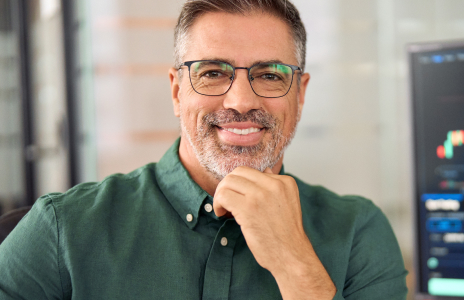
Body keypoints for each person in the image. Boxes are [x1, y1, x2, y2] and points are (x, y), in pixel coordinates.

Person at [0, 0, 408, 299]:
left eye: (269, 74)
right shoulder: (62, 229)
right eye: (213, 73)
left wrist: (296, 267)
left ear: (300, 96)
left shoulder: (358, 233)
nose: (241, 101)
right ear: (177, 92)